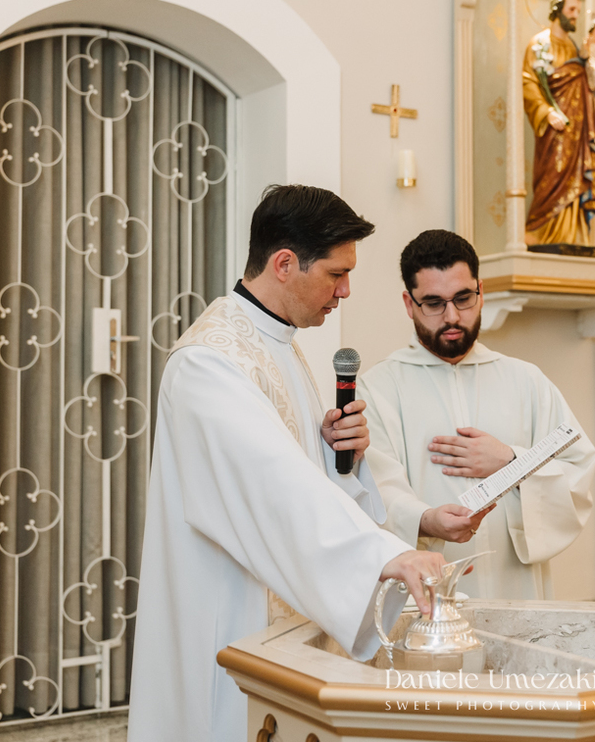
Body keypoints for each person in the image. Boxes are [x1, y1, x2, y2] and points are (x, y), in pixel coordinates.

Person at [128, 185, 445, 742]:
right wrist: (384, 555)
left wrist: (336, 452)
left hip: (278, 623)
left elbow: (294, 472)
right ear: (284, 264)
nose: (345, 291)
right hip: (226, 619)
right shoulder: (209, 361)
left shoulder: (281, 344)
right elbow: (271, 486)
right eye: (335, 274)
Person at [359, 230, 595, 599]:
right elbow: (372, 488)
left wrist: (512, 460)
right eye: (433, 303)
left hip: (513, 585)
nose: (452, 316)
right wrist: (426, 520)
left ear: (480, 291)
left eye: (463, 298)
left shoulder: (526, 380)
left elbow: (577, 471)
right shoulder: (378, 388)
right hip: (426, 592)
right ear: (409, 303)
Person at [522, 0, 595, 250]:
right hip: (554, 130)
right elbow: (528, 82)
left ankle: (574, 236)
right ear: (557, 10)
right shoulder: (538, 44)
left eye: (578, 11)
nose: (575, 16)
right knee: (553, 175)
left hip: (577, 128)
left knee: (577, 176)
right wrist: (547, 112)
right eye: (572, 10)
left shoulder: (575, 46)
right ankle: (541, 232)